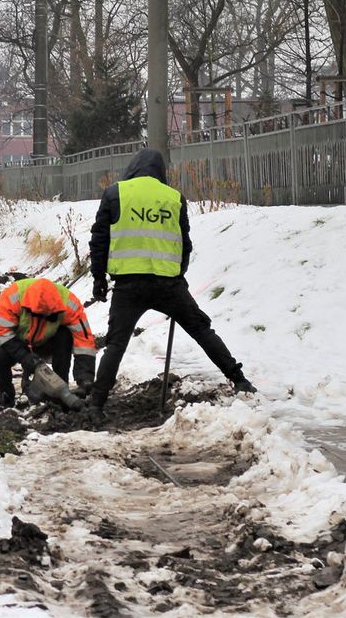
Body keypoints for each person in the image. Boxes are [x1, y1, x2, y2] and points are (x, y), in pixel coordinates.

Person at [87, 147, 255, 418]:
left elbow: (99, 241)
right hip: (169, 284)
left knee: (116, 344)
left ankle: (96, 404)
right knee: (202, 330)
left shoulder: (115, 193)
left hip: (129, 286)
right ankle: (239, 380)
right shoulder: (174, 198)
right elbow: (184, 244)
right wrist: (179, 275)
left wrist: (99, 279)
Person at [0, 277, 96, 409]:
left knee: (65, 336)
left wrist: (85, 378)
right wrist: (24, 356)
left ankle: (60, 395)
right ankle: (6, 399)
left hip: (49, 341)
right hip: (17, 341)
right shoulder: (13, 296)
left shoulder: (69, 304)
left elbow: (84, 341)